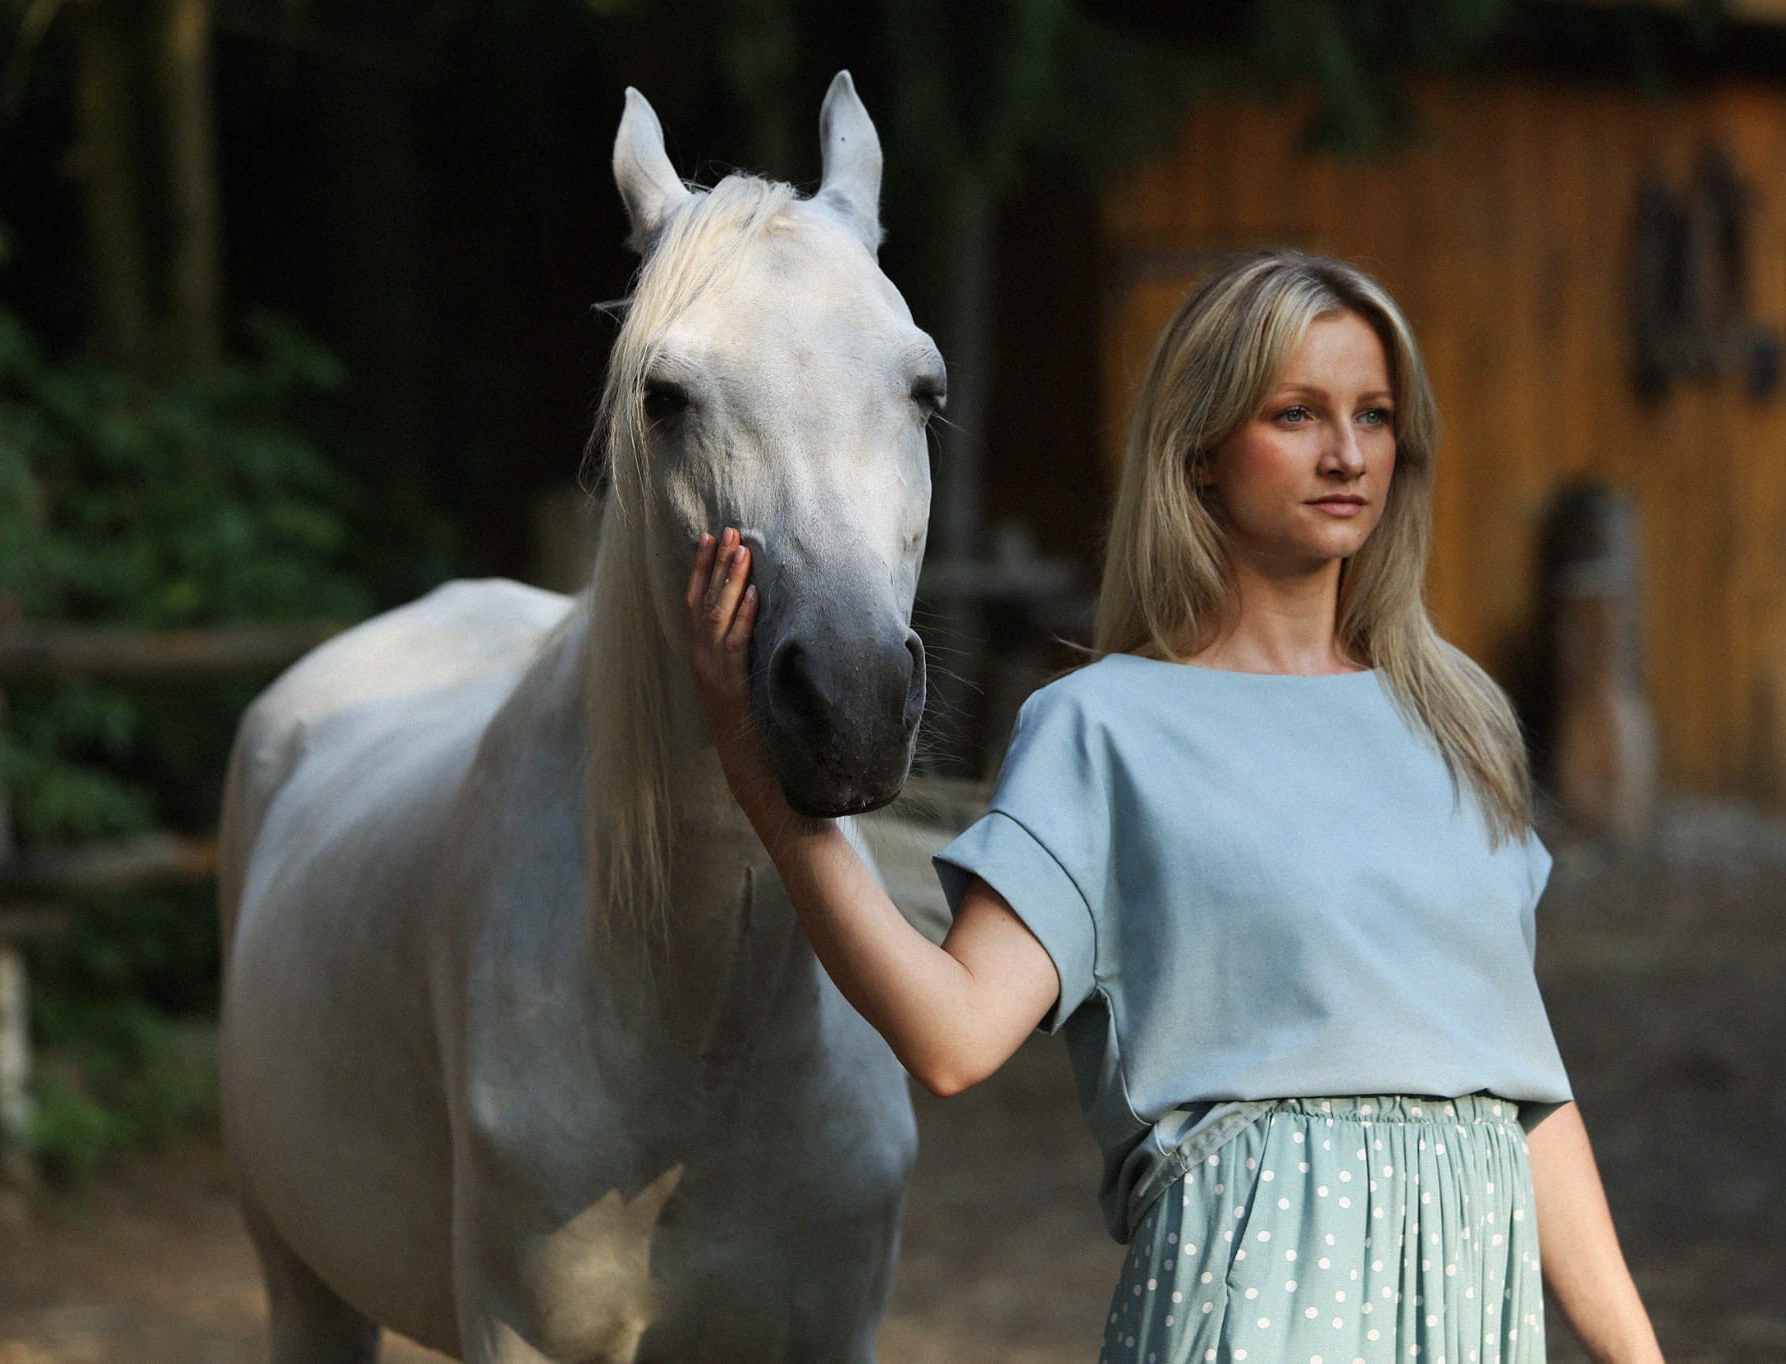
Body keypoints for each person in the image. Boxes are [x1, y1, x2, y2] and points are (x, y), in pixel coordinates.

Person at [681, 248, 1664, 1363]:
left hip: (1469, 1312)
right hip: (1256, 1307)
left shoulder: (1458, 717)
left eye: (1374, 415)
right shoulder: (1104, 726)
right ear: (1199, 452)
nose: (1347, 454)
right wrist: (766, 786)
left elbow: (1526, 1094)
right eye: (1296, 413)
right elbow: (951, 1037)